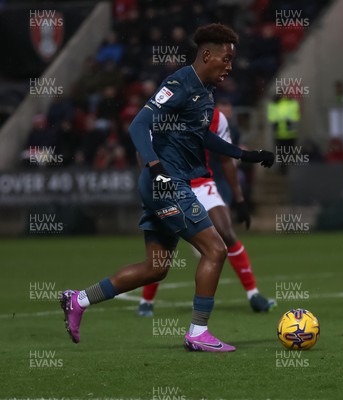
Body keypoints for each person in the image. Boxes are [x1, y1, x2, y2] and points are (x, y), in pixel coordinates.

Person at [60, 23, 275, 352]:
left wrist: (245, 154)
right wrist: (155, 165)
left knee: (155, 268)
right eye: (227, 59)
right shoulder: (178, 83)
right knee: (216, 250)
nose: (230, 66)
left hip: (167, 181)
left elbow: (201, 136)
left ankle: (79, 299)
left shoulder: (205, 93)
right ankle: (198, 332)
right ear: (207, 54)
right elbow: (138, 124)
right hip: (166, 182)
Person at [137, 108, 276, 316]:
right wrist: (152, 182)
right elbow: (143, 151)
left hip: (201, 183)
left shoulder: (217, 119)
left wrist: (239, 199)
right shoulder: (161, 114)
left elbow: (226, 158)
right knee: (167, 239)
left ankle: (253, 294)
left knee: (226, 232)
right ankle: (146, 300)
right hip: (170, 183)